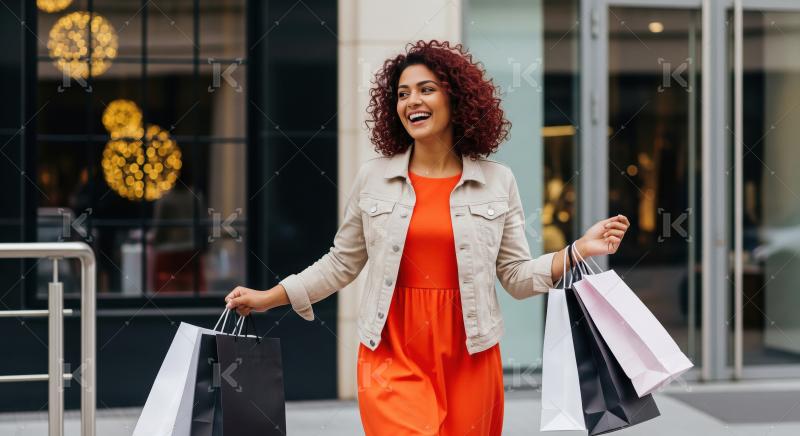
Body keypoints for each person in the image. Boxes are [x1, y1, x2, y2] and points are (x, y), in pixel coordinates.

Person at [225, 40, 630, 435]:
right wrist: (268, 297)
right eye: (403, 94)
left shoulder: (496, 181)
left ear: (456, 99)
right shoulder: (375, 178)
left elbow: (515, 276)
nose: (411, 101)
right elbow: (341, 262)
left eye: (426, 90)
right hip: (391, 353)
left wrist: (576, 251)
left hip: (470, 356)